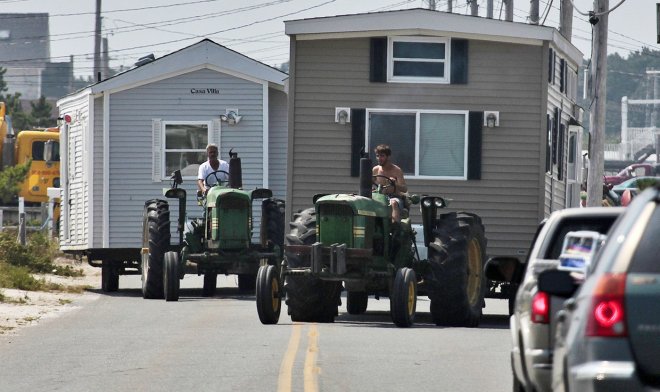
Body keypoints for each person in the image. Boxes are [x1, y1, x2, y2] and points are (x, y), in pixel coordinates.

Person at [372, 144, 408, 222]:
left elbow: (404, 189)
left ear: (388, 157)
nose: (379, 158)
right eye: (377, 156)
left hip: (394, 197)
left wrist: (395, 184)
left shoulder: (397, 170)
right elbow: (369, 184)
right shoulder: (375, 170)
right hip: (379, 197)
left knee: (393, 203)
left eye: (382, 156)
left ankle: (395, 227)